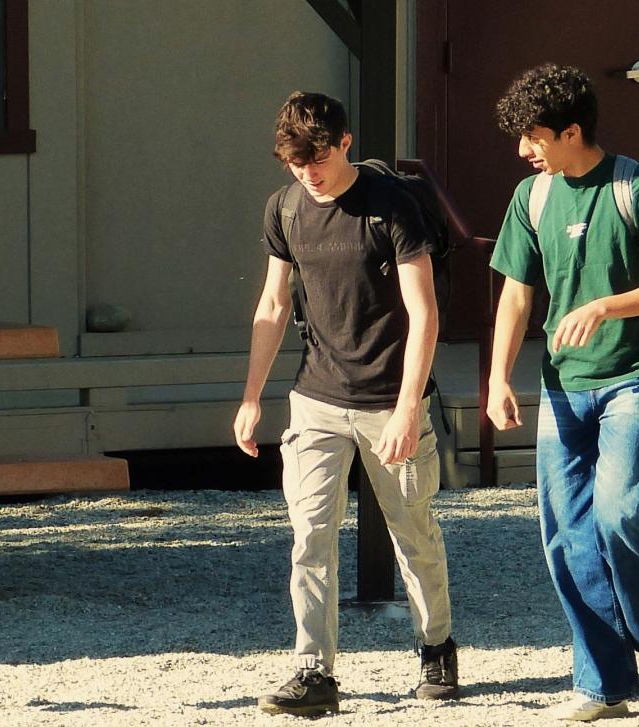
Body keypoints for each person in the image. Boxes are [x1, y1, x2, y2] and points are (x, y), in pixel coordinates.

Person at [233, 91, 458, 717]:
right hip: (316, 401)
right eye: (297, 162)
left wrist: (410, 408)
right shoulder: (285, 209)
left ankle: (436, 644)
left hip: (392, 399)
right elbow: (274, 305)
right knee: (310, 535)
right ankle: (314, 672)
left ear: (345, 142)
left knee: (412, 532)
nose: (311, 172)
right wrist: (252, 398)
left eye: (320, 157)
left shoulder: (393, 206)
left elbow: (424, 312)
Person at [488, 63, 639, 721]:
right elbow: (517, 294)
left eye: (534, 137)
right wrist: (496, 376)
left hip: (636, 379)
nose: (524, 151)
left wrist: (605, 306)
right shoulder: (533, 197)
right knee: (566, 535)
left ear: (572, 131)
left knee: (619, 516)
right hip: (561, 388)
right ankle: (604, 684)